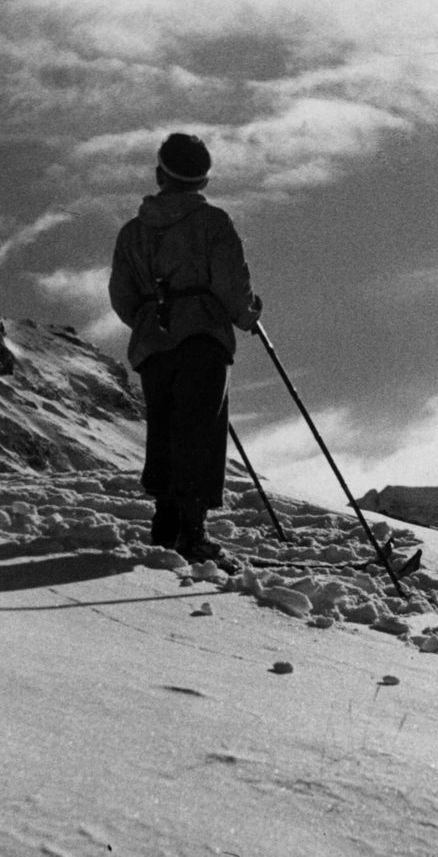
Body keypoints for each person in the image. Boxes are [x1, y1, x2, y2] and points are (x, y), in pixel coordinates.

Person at [109, 133, 263, 562]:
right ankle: (192, 534)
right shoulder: (212, 222)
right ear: (203, 181)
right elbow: (232, 285)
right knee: (200, 430)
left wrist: (149, 320)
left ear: (160, 173)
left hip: (153, 345)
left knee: (165, 427)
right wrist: (246, 315)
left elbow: (122, 298)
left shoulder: (132, 233)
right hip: (202, 336)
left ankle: (166, 525)